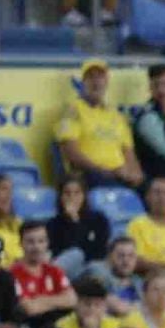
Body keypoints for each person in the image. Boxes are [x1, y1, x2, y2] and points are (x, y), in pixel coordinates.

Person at [56, 60, 142, 190]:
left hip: (120, 175)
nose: (96, 82)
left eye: (100, 77)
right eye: (90, 77)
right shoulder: (73, 111)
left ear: (106, 82)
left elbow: (128, 152)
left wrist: (135, 174)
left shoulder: (117, 116)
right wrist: (105, 171)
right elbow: (71, 152)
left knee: (156, 190)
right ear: (83, 82)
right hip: (90, 174)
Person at [48, 178, 110, 278]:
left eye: (77, 193)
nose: (72, 198)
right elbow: (57, 254)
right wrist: (73, 223)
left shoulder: (99, 219)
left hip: (91, 269)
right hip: (65, 271)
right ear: (60, 197)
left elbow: (99, 252)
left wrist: (76, 223)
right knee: (75, 254)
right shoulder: (53, 223)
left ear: (84, 196)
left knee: (96, 267)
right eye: (67, 193)